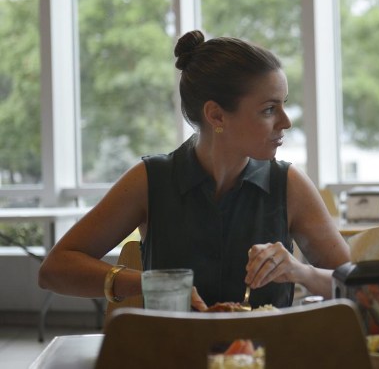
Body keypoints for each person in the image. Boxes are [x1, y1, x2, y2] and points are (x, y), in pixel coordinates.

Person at [38, 30, 350, 310]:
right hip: (173, 354)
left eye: (283, 105)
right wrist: (151, 284)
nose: (286, 121)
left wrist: (302, 272)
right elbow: (54, 270)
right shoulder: (150, 180)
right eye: (269, 109)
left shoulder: (289, 184)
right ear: (216, 116)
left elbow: (360, 286)